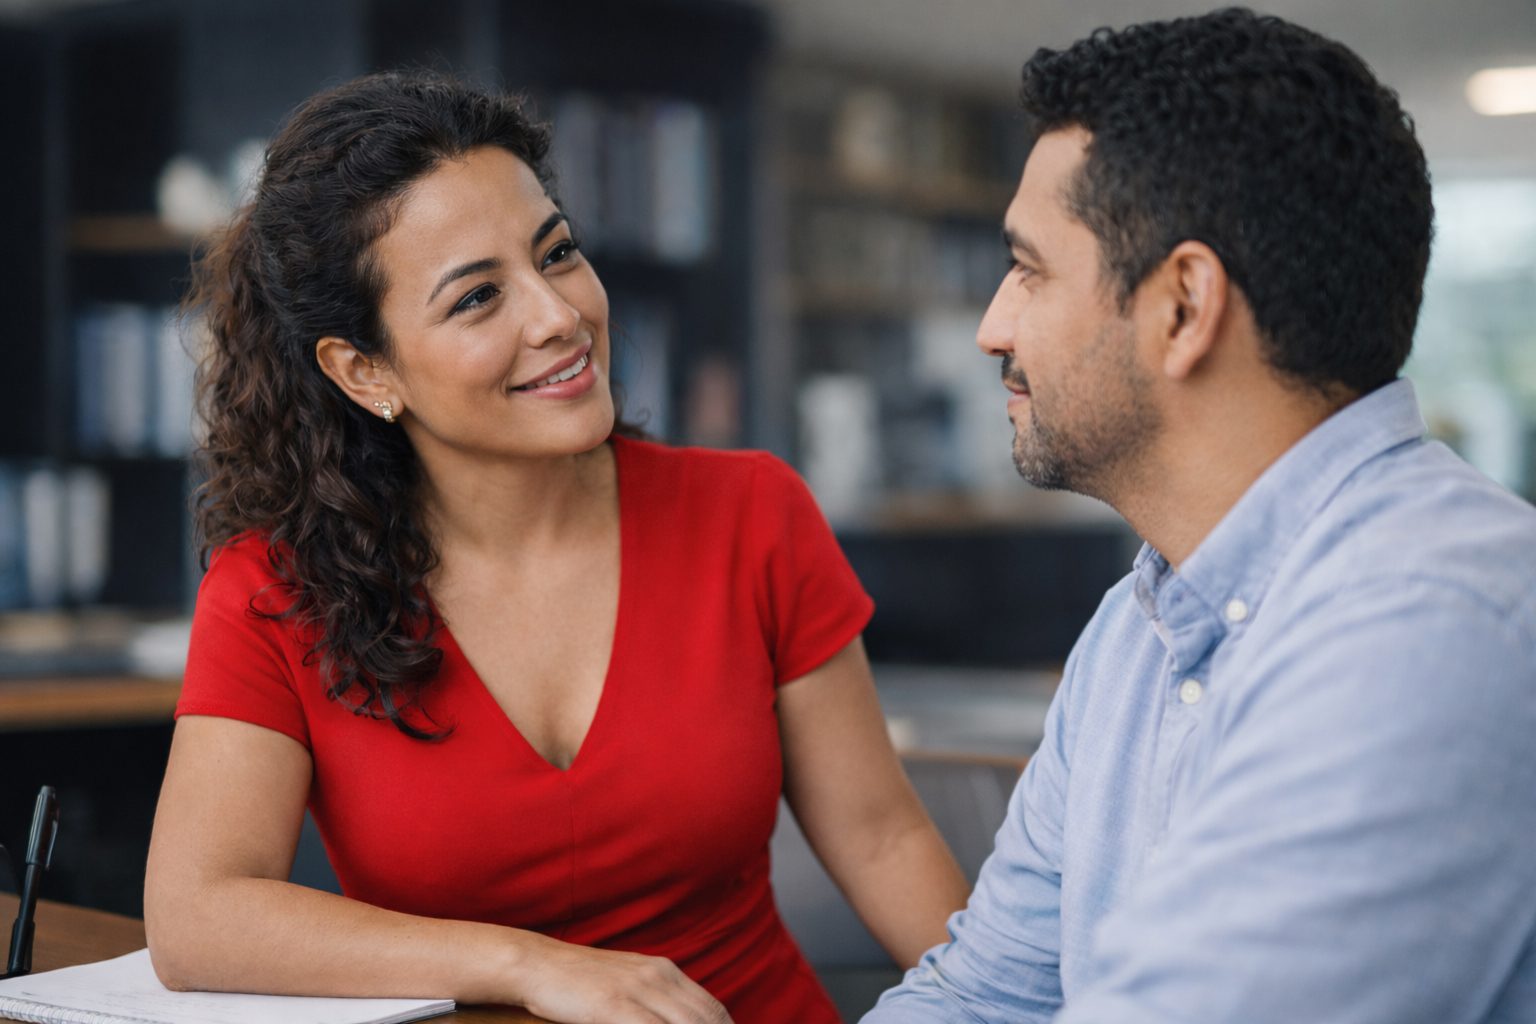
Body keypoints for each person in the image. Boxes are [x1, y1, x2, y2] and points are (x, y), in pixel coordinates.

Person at [144, 70, 969, 1024]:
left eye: (558, 252)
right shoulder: (272, 591)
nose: (558, 315)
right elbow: (197, 916)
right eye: (477, 299)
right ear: (365, 370)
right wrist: (532, 965)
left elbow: (881, 837)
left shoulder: (752, 513)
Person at [865, 8, 1536, 1023]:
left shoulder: (1436, 624)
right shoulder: (1132, 631)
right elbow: (983, 994)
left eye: (1030, 268)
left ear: (1183, 305)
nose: (990, 326)